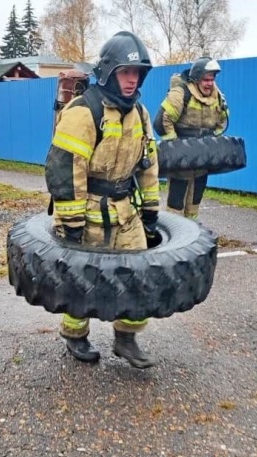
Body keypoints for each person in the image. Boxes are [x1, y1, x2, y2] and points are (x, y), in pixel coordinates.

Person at [44, 31, 161, 369]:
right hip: (88, 212)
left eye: (137, 73)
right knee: (81, 282)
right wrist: (71, 223)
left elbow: (148, 165)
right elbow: (65, 169)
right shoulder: (84, 111)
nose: (132, 79)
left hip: (126, 213)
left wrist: (151, 212)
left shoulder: (140, 113)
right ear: (109, 72)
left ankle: (126, 339)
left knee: (139, 277)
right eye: (125, 72)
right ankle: (75, 335)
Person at [154, 57, 229, 219]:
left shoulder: (217, 96)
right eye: (206, 80)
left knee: (195, 201)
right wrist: (176, 147)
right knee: (176, 203)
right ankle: (176, 230)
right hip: (181, 161)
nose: (210, 83)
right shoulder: (181, 93)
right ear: (196, 78)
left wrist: (212, 144)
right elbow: (161, 122)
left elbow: (223, 120)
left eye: (212, 79)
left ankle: (193, 230)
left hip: (202, 159)